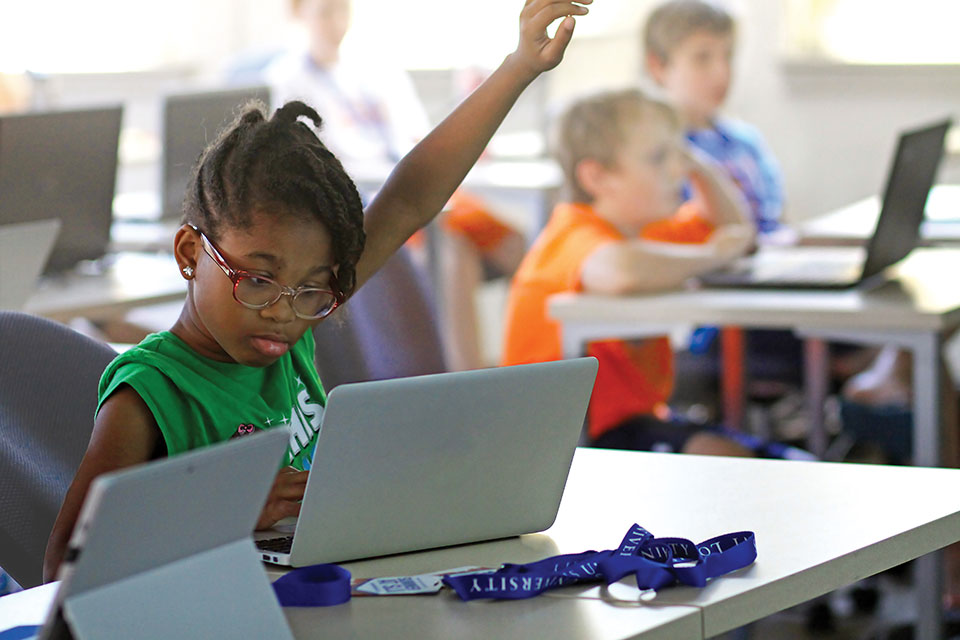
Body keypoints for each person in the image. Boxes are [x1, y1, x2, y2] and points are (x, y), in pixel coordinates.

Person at [43, 0, 591, 583]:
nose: (283, 313)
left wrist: (517, 68)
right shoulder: (151, 394)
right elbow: (64, 570)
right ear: (189, 253)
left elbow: (407, 200)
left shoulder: (289, 324)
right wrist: (225, 513)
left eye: (312, 291)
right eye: (256, 279)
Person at [501, 87, 775, 456]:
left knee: (764, 460)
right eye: (659, 157)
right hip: (565, 443)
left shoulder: (646, 232)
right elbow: (620, 270)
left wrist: (696, 163)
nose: (676, 170)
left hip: (633, 424)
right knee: (728, 458)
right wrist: (711, 255)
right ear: (597, 178)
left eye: (677, 154)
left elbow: (734, 228)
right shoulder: (570, 233)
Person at [264, 0, 527, 370]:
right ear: (298, 13)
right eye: (325, 12)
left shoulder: (376, 69)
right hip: (378, 199)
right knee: (454, 258)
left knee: (517, 244)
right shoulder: (287, 81)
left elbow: (416, 135)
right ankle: (467, 378)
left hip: (418, 185)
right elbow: (315, 164)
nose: (336, 23)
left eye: (342, 10)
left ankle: (527, 361)